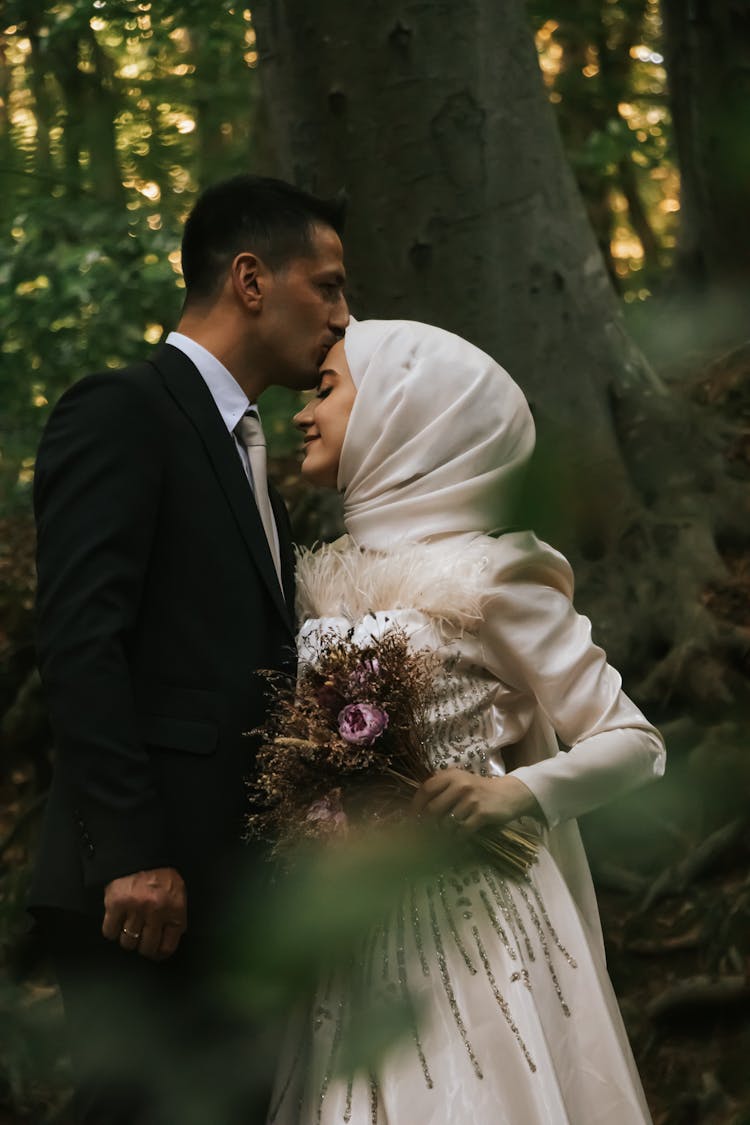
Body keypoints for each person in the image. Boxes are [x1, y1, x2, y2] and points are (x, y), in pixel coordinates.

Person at [270, 319, 665, 1123]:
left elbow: (635, 741)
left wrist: (520, 794)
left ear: (400, 412)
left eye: (328, 389)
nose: (303, 414)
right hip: (355, 929)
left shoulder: (493, 575)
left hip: (475, 925)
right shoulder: (324, 575)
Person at [30, 174, 349, 1124]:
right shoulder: (122, 410)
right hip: (144, 888)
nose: (342, 315)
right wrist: (134, 853)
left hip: (233, 892)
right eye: (327, 285)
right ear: (251, 279)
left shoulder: (249, 454)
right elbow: (81, 640)